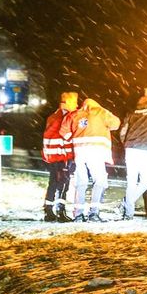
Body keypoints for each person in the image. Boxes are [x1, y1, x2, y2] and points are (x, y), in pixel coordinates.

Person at [62, 95, 120, 222]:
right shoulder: (101, 112)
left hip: (80, 152)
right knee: (99, 181)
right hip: (96, 152)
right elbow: (116, 124)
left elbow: (64, 133)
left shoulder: (74, 115)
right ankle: (94, 213)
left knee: (81, 182)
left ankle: (78, 215)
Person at [118, 86, 147, 219]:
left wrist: (126, 143)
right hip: (145, 148)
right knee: (146, 181)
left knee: (132, 181)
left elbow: (123, 130)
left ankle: (128, 212)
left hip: (130, 148)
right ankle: (126, 203)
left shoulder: (134, 108)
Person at [41, 92, 78, 222]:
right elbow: (65, 136)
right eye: (74, 102)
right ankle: (59, 211)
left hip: (52, 156)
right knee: (63, 184)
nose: (77, 105)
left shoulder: (53, 116)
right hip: (62, 156)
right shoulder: (65, 117)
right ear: (66, 103)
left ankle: (49, 210)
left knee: (53, 182)